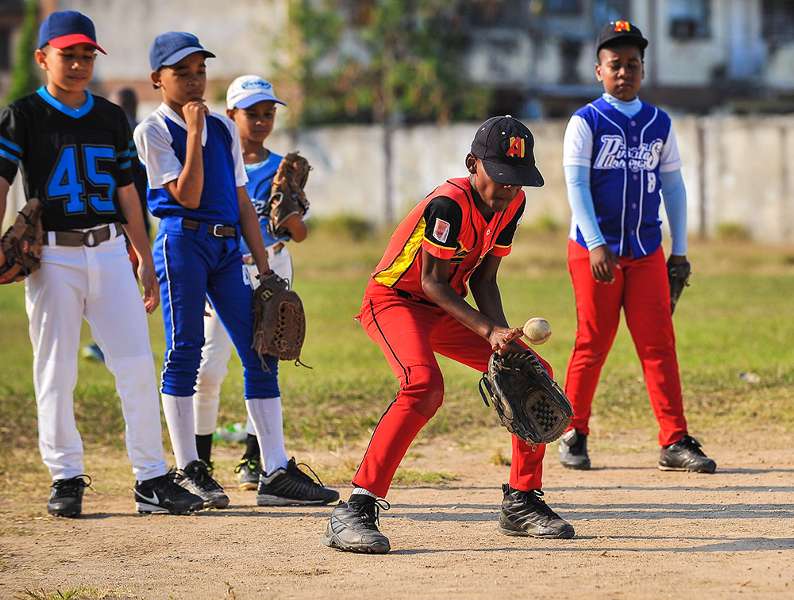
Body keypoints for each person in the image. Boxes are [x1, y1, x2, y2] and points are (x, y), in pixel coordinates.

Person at [322, 116, 574, 555]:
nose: (508, 189)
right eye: (499, 177)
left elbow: (485, 280)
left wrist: (503, 339)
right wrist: (486, 329)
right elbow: (433, 281)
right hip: (394, 301)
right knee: (423, 386)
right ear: (472, 164)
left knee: (531, 373)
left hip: (446, 306)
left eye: (517, 180)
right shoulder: (449, 205)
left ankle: (521, 500)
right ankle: (356, 506)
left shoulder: (511, 205)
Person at [0, 10, 203, 517]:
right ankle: (66, 477)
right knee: (56, 370)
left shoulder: (111, 116)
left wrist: (143, 257)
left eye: (86, 54)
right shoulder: (22, 115)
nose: (78, 64)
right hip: (52, 257)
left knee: (135, 364)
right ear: (42, 57)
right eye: (67, 55)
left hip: (110, 249)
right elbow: (2, 181)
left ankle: (152, 479)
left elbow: (127, 192)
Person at [134, 33, 337, 509]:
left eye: (200, 71)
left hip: (229, 249)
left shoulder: (223, 131)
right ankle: (190, 469)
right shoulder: (156, 130)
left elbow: (243, 201)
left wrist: (265, 269)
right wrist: (194, 133)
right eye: (181, 72)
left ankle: (275, 471)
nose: (193, 80)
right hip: (181, 241)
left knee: (261, 350)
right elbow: (185, 194)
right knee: (185, 351)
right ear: (157, 79)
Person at [558, 20, 716, 473]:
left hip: (646, 249)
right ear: (598, 71)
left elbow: (674, 188)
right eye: (615, 64)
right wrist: (595, 243)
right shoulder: (585, 121)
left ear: (642, 70)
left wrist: (679, 250)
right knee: (593, 341)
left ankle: (674, 439)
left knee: (659, 344)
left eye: (632, 64)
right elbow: (576, 186)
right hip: (595, 250)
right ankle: (574, 431)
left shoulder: (658, 122)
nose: (624, 71)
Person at [191, 74, 337, 506]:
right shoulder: (215, 163)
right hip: (222, 267)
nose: (260, 121)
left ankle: (255, 460)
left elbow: (300, 234)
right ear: (231, 114)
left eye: (268, 113)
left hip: (271, 262)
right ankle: (200, 462)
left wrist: (288, 213)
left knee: (267, 352)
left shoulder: (280, 168)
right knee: (208, 366)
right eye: (251, 113)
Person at [82, 87, 150, 363]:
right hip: (128, 225)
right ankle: (111, 342)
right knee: (116, 287)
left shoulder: (127, 137)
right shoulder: (117, 134)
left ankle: (112, 343)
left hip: (127, 226)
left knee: (120, 287)